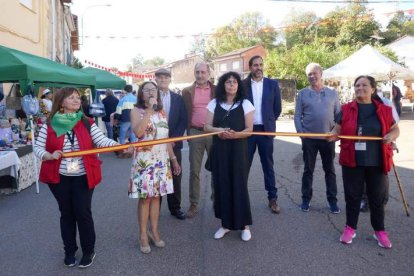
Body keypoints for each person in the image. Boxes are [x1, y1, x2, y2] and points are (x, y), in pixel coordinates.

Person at [34, 87, 123, 268]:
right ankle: (69, 251)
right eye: (71, 98)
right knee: (66, 214)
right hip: (60, 177)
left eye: (77, 98)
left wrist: (118, 146)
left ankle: (89, 250)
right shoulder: (49, 124)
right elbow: (37, 148)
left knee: (83, 212)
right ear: (61, 102)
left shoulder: (87, 122)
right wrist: (48, 156)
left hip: (83, 175)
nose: (76, 100)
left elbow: (101, 140)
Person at [328, 75, 399, 249]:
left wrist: (391, 136)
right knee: (352, 196)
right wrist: (331, 135)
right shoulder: (346, 109)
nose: (360, 88)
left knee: (377, 198)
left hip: (377, 160)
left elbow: (395, 129)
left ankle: (379, 231)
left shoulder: (384, 110)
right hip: (352, 159)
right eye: (357, 85)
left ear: (373, 89)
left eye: (364, 85)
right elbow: (337, 129)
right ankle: (350, 228)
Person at [129, 81, 181, 254]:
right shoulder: (136, 111)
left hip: (161, 160)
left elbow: (165, 138)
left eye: (154, 90)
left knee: (157, 197)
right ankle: (143, 234)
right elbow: (138, 132)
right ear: (141, 93)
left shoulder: (162, 112)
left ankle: (154, 230)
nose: (151, 92)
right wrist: (149, 112)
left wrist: (173, 159)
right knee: (145, 198)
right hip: (144, 161)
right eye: (147, 90)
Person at [204, 71, 254, 241]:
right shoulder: (213, 103)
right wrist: (219, 131)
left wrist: (235, 135)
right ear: (223, 85)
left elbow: (249, 130)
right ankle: (225, 225)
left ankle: (244, 226)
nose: (231, 85)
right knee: (222, 186)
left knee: (239, 185)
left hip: (238, 149)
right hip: (220, 149)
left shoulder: (246, 103)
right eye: (228, 82)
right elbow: (206, 127)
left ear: (238, 85)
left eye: (234, 82)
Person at [294, 63, 340, 213]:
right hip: (309, 139)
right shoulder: (302, 94)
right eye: (309, 74)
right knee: (308, 170)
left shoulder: (333, 93)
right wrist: (302, 134)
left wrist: (335, 133)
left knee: (330, 170)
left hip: (328, 138)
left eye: (314, 73)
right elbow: (297, 116)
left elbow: (339, 115)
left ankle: (332, 201)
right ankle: (305, 200)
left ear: (321, 74)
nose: (312, 76)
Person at [243, 55, 282, 214]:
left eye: (260, 65)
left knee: (268, 166)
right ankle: (240, 198)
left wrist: (269, 121)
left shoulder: (272, 84)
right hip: (248, 131)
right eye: (255, 65)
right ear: (250, 67)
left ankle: (272, 199)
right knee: (244, 166)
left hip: (265, 130)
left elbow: (277, 108)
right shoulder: (242, 85)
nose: (258, 68)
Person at [182, 62, 216, 218]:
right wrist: (188, 133)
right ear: (194, 73)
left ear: (208, 73)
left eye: (203, 72)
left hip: (213, 133)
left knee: (217, 169)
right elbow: (184, 113)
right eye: (197, 72)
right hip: (195, 133)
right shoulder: (187, 91)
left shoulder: (217, 90)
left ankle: (217, 200)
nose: (200, 75)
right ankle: (194, 203)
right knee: (194, 171)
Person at [155, 68, 187, 220]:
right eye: (160, 77)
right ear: (156, 79)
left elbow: (183, 121)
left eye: (165, 77)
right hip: (155, 145)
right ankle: (156, 209)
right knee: (158, 176)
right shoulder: (151, 97)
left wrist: (175, 139)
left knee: (176, 175)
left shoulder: (178, 98)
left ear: (170, 80)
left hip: (174, 144)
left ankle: (175, 208)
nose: (162, 80)